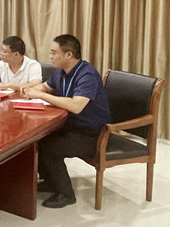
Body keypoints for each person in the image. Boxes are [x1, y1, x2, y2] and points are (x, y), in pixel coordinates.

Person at [23, 34, 110, 208]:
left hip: (92, 134)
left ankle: (66, 194)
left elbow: (76, 106)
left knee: (50, 148)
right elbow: (46, 86)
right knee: (35, 139)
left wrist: (39, 95)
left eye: (54, 53)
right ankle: (51, 181)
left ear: (68, 54)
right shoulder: (61, 72)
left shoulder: (87, 75)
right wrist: (30, 90)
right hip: (69, 126)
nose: (50, 56)